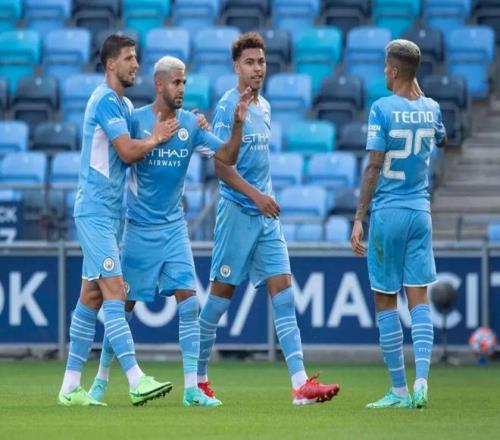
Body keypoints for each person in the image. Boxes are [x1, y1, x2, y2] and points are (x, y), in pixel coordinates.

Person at [87, 55, 253, 407]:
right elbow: (120, 154)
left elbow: (227, 156)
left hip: (174, 228)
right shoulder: (134, 120)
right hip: (139, 228)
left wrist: (237, 126)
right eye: (177, 82)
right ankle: (100, 380)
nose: (182, 88)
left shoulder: (191, 123)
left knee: (189, 302)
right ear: (159, 84)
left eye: (185, 82)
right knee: (123, 306)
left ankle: (192, 389)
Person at [196, 32, 340, 406]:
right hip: (238, 214)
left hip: (265, 218)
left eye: (261, 62)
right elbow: (222, 166)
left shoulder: (265, 107)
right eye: (249, 62)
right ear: (236, 67)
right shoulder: (227, 106)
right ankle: (196, 377)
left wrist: (264, 198)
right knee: (219, 300)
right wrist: (257, 197)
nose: (257, 68)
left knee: (284, 291)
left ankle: (300, 385)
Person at [58, 35, 178, 407]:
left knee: (91, 296)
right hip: (94, 211)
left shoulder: (124, 104)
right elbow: (127, 151)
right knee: (116, 292)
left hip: (111, 215)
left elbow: (142, 136)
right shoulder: (105, 100)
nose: (135, 64)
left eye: (136, 57)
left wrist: (180, 123)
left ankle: (69, 387)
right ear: (111, 63)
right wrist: (156, 139)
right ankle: (135, 379)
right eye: (128, 58)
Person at [350, 39, 447, 409]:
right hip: (420, 212)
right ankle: (422, 381)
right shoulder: (432, 107)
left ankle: (399, 391)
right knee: (418, 297)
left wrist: (359, 217)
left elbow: (374, 165)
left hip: (389, 213)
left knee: (385, 298)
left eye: (385, 67)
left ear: (392, 70)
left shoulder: (382, 108)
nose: (383, 72)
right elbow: (443, 139)